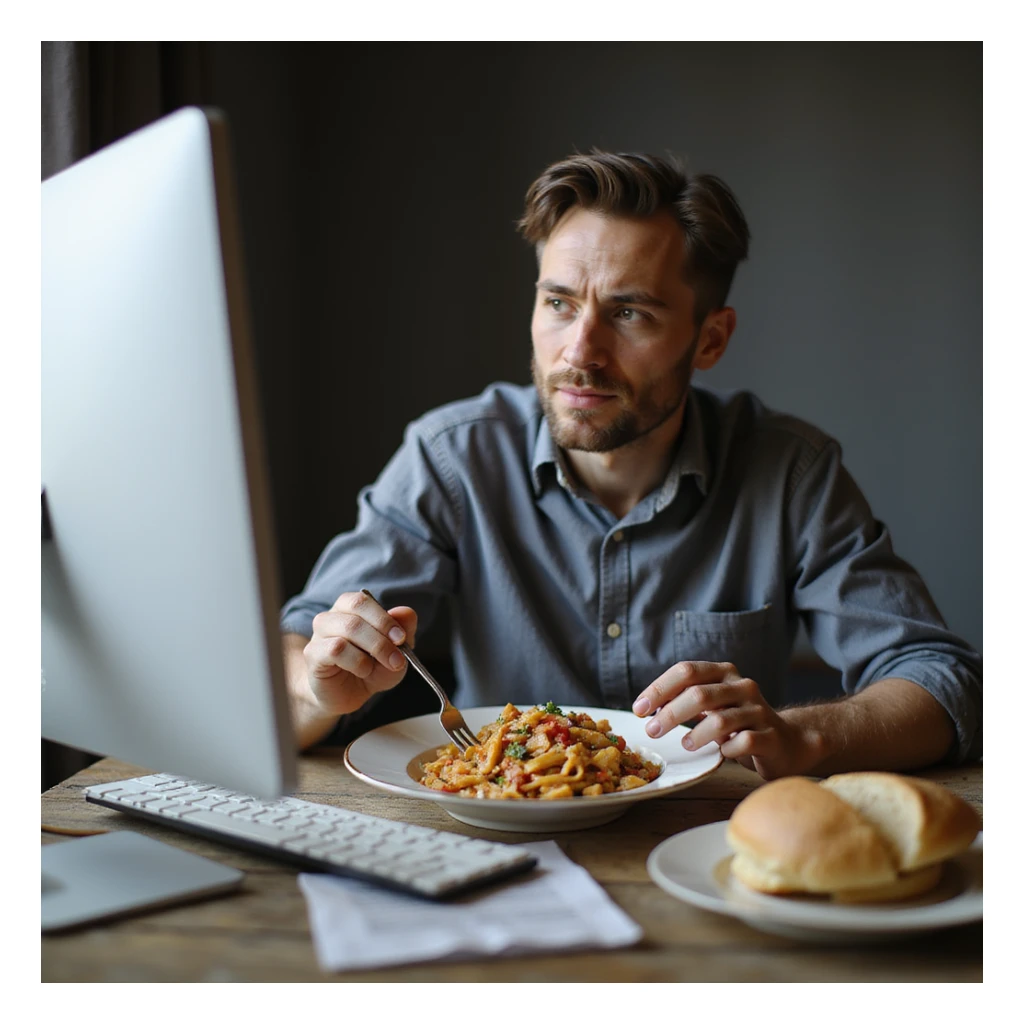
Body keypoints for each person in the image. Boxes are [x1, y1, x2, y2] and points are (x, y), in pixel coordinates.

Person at [280, 151, 981, 780]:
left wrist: (802, 736)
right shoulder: (451, 458)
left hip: (707, 845)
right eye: (558, 303)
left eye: (630, 314)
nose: (580, 351)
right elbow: (294, 655)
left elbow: (943, 681)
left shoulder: (791, 472)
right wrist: (317, 688)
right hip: (500, 844)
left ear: (710, 339)